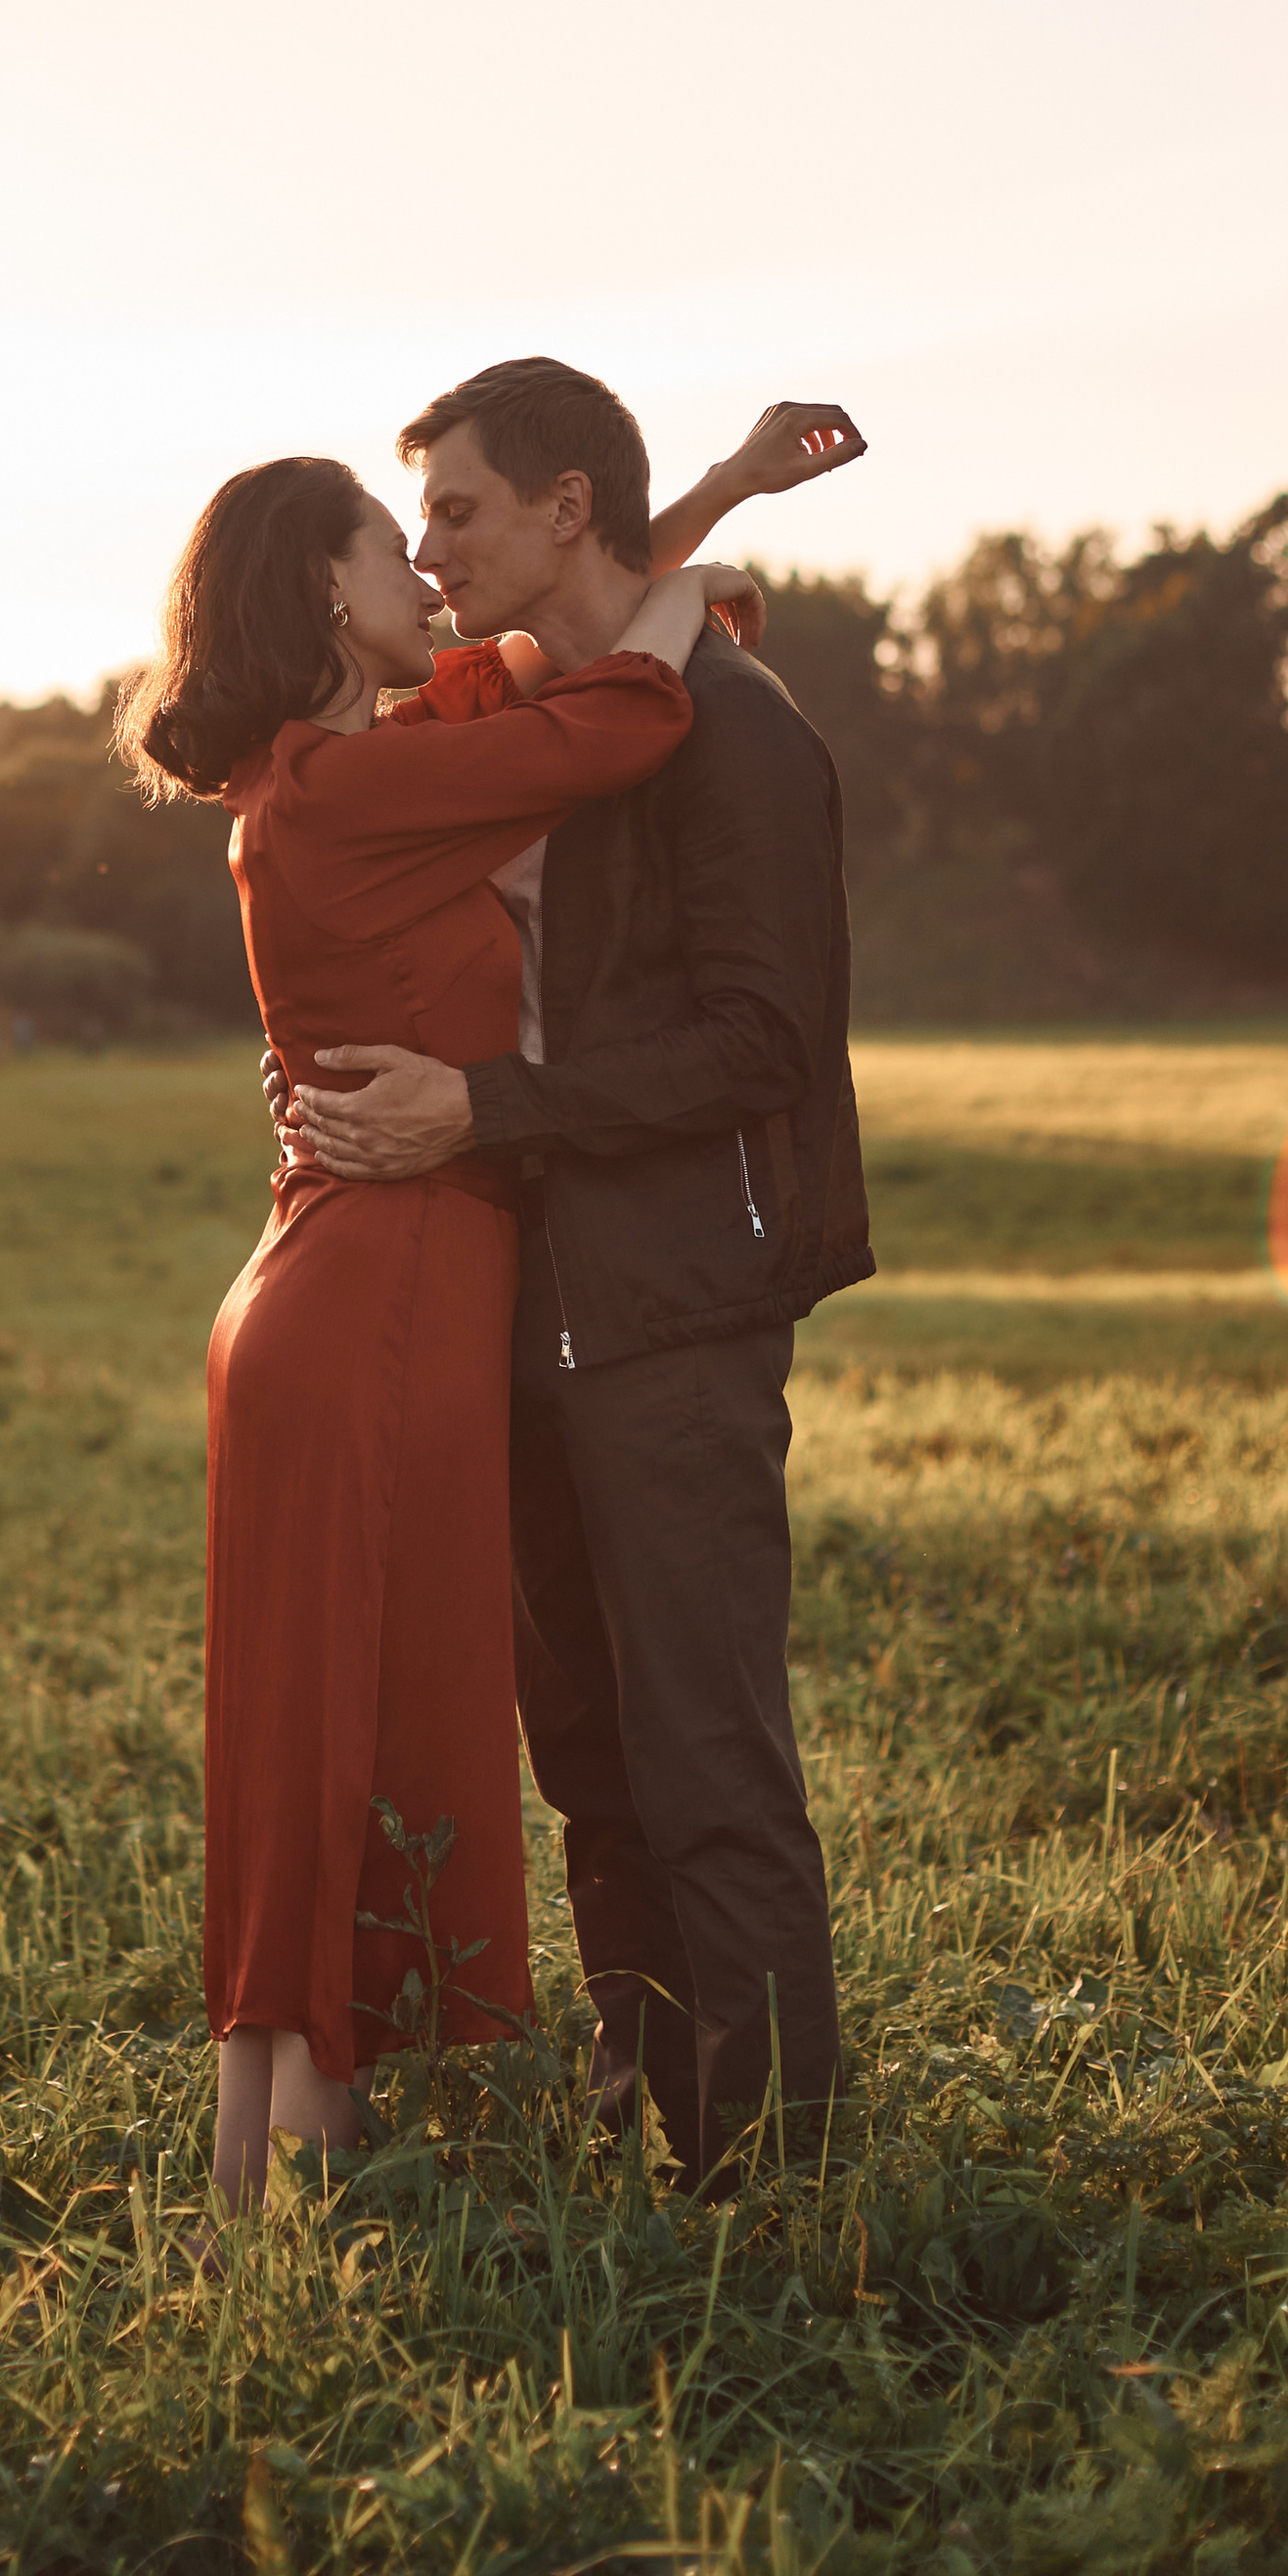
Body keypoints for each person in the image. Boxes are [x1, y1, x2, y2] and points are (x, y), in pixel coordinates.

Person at [118, 451, 751, 2210]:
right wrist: (694, 606)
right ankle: (307, 2159)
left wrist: (711, 498)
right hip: (380, 1291)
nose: (423, 570)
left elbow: (549, 636)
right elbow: (617, 713)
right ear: (324, 593)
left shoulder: (329, 777)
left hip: (326, 1282)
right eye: (387, 547)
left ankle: (258, 2168)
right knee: (356, 1705)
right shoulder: (351, 792)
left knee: (308, 1709)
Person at [281, 360, 872, 2188]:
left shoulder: (740, 730)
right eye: (422, 521)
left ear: (555, 510)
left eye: (457, 511)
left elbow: (763, 1040)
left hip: (679, 1301)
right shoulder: (531, 710)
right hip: (518, 1295)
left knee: (704, 1753)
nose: (433, 550)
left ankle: (776, 2185)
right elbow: (611, 582)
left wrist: (487, 1109)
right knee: (593, 1761)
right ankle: (654, 2116)